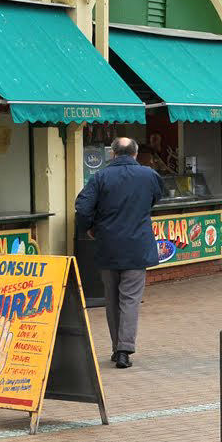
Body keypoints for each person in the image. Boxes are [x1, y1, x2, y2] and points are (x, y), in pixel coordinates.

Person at [74, 137, 164, 369]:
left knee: (112, 299)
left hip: (108, 246)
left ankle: (117, 348)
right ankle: (124, 349)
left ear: (112, 154)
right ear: (135, 154)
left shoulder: (100, 177)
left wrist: (90, 228)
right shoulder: (149, 175)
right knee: (131, 300)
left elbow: (82, 208)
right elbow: (156, 198)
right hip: (137, 247)